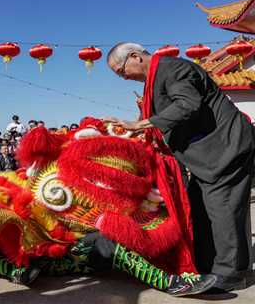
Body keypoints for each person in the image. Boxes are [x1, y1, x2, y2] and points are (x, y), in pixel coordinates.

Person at [106, 42, 255, 293]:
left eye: (121, 71)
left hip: (224, 148)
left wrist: (140, 124)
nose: (123, 77)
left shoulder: (172, 69)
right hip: (206, 157)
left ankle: (230, 273)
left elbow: (187, 104)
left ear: (135, 57)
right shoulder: (155, 79)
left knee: (223, 208)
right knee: (199, 208)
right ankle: (207, 266)